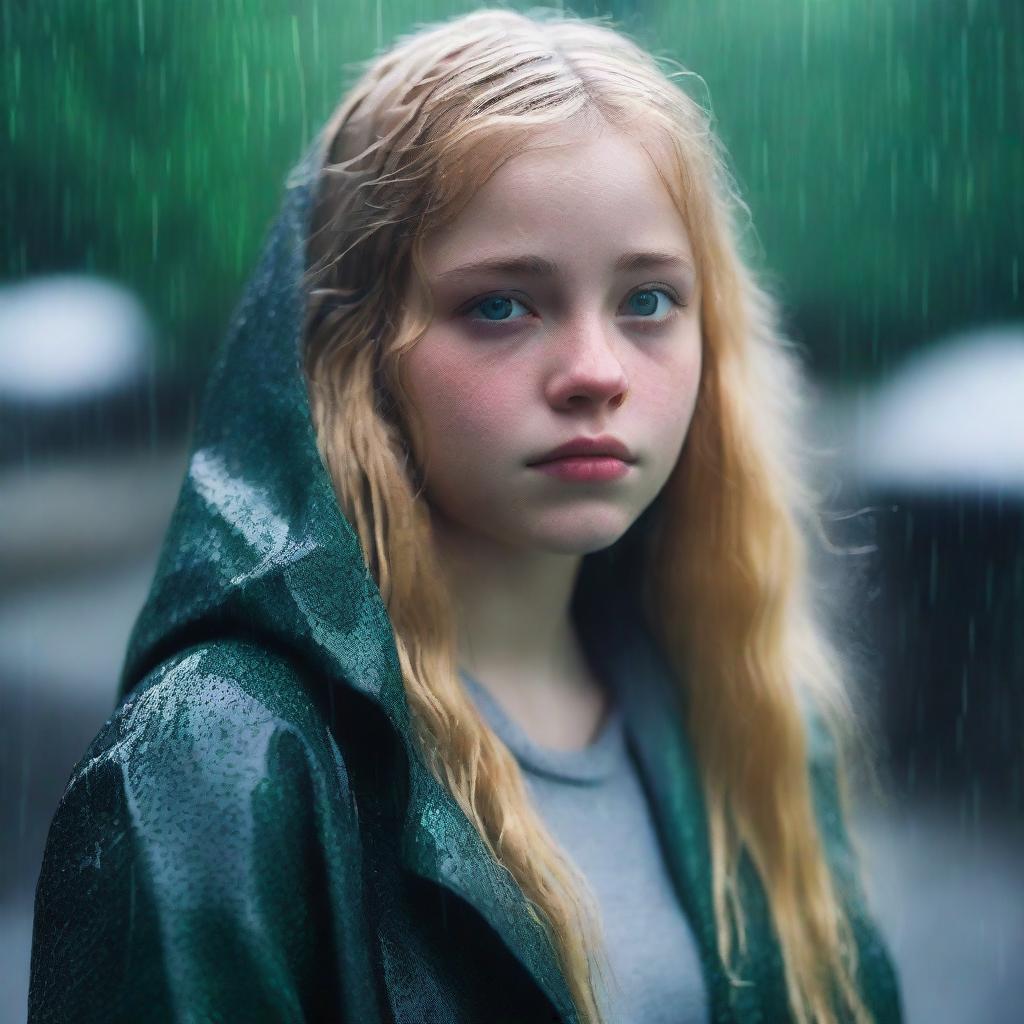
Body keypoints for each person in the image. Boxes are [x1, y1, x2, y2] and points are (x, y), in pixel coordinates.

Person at [28, 7, 903, 1024]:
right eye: (501, 304)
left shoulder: (749, 713)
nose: (595, 372)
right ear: (356, 354)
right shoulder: (213, 765)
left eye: (649, 300)